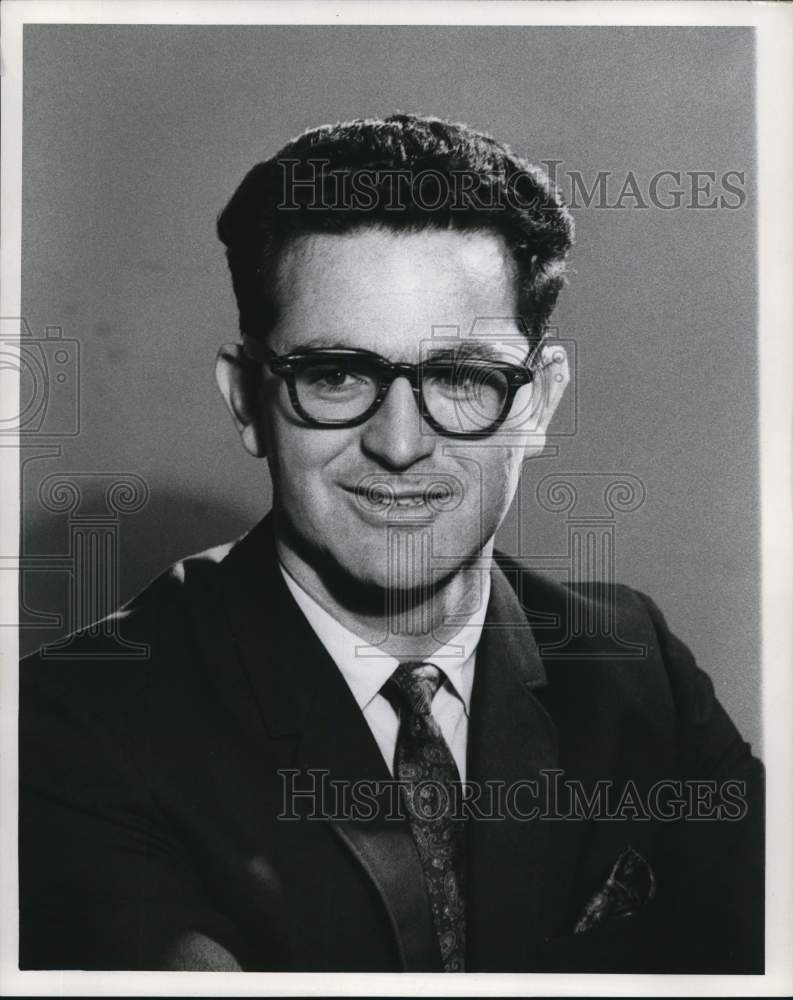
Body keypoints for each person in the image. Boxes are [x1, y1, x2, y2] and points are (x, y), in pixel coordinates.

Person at [19, 113, 763, 974]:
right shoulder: (77, 720)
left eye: (459, 377)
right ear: (245, 401)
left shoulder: (635, 667)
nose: (400, 444)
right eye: (335, 375)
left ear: (539, 401)